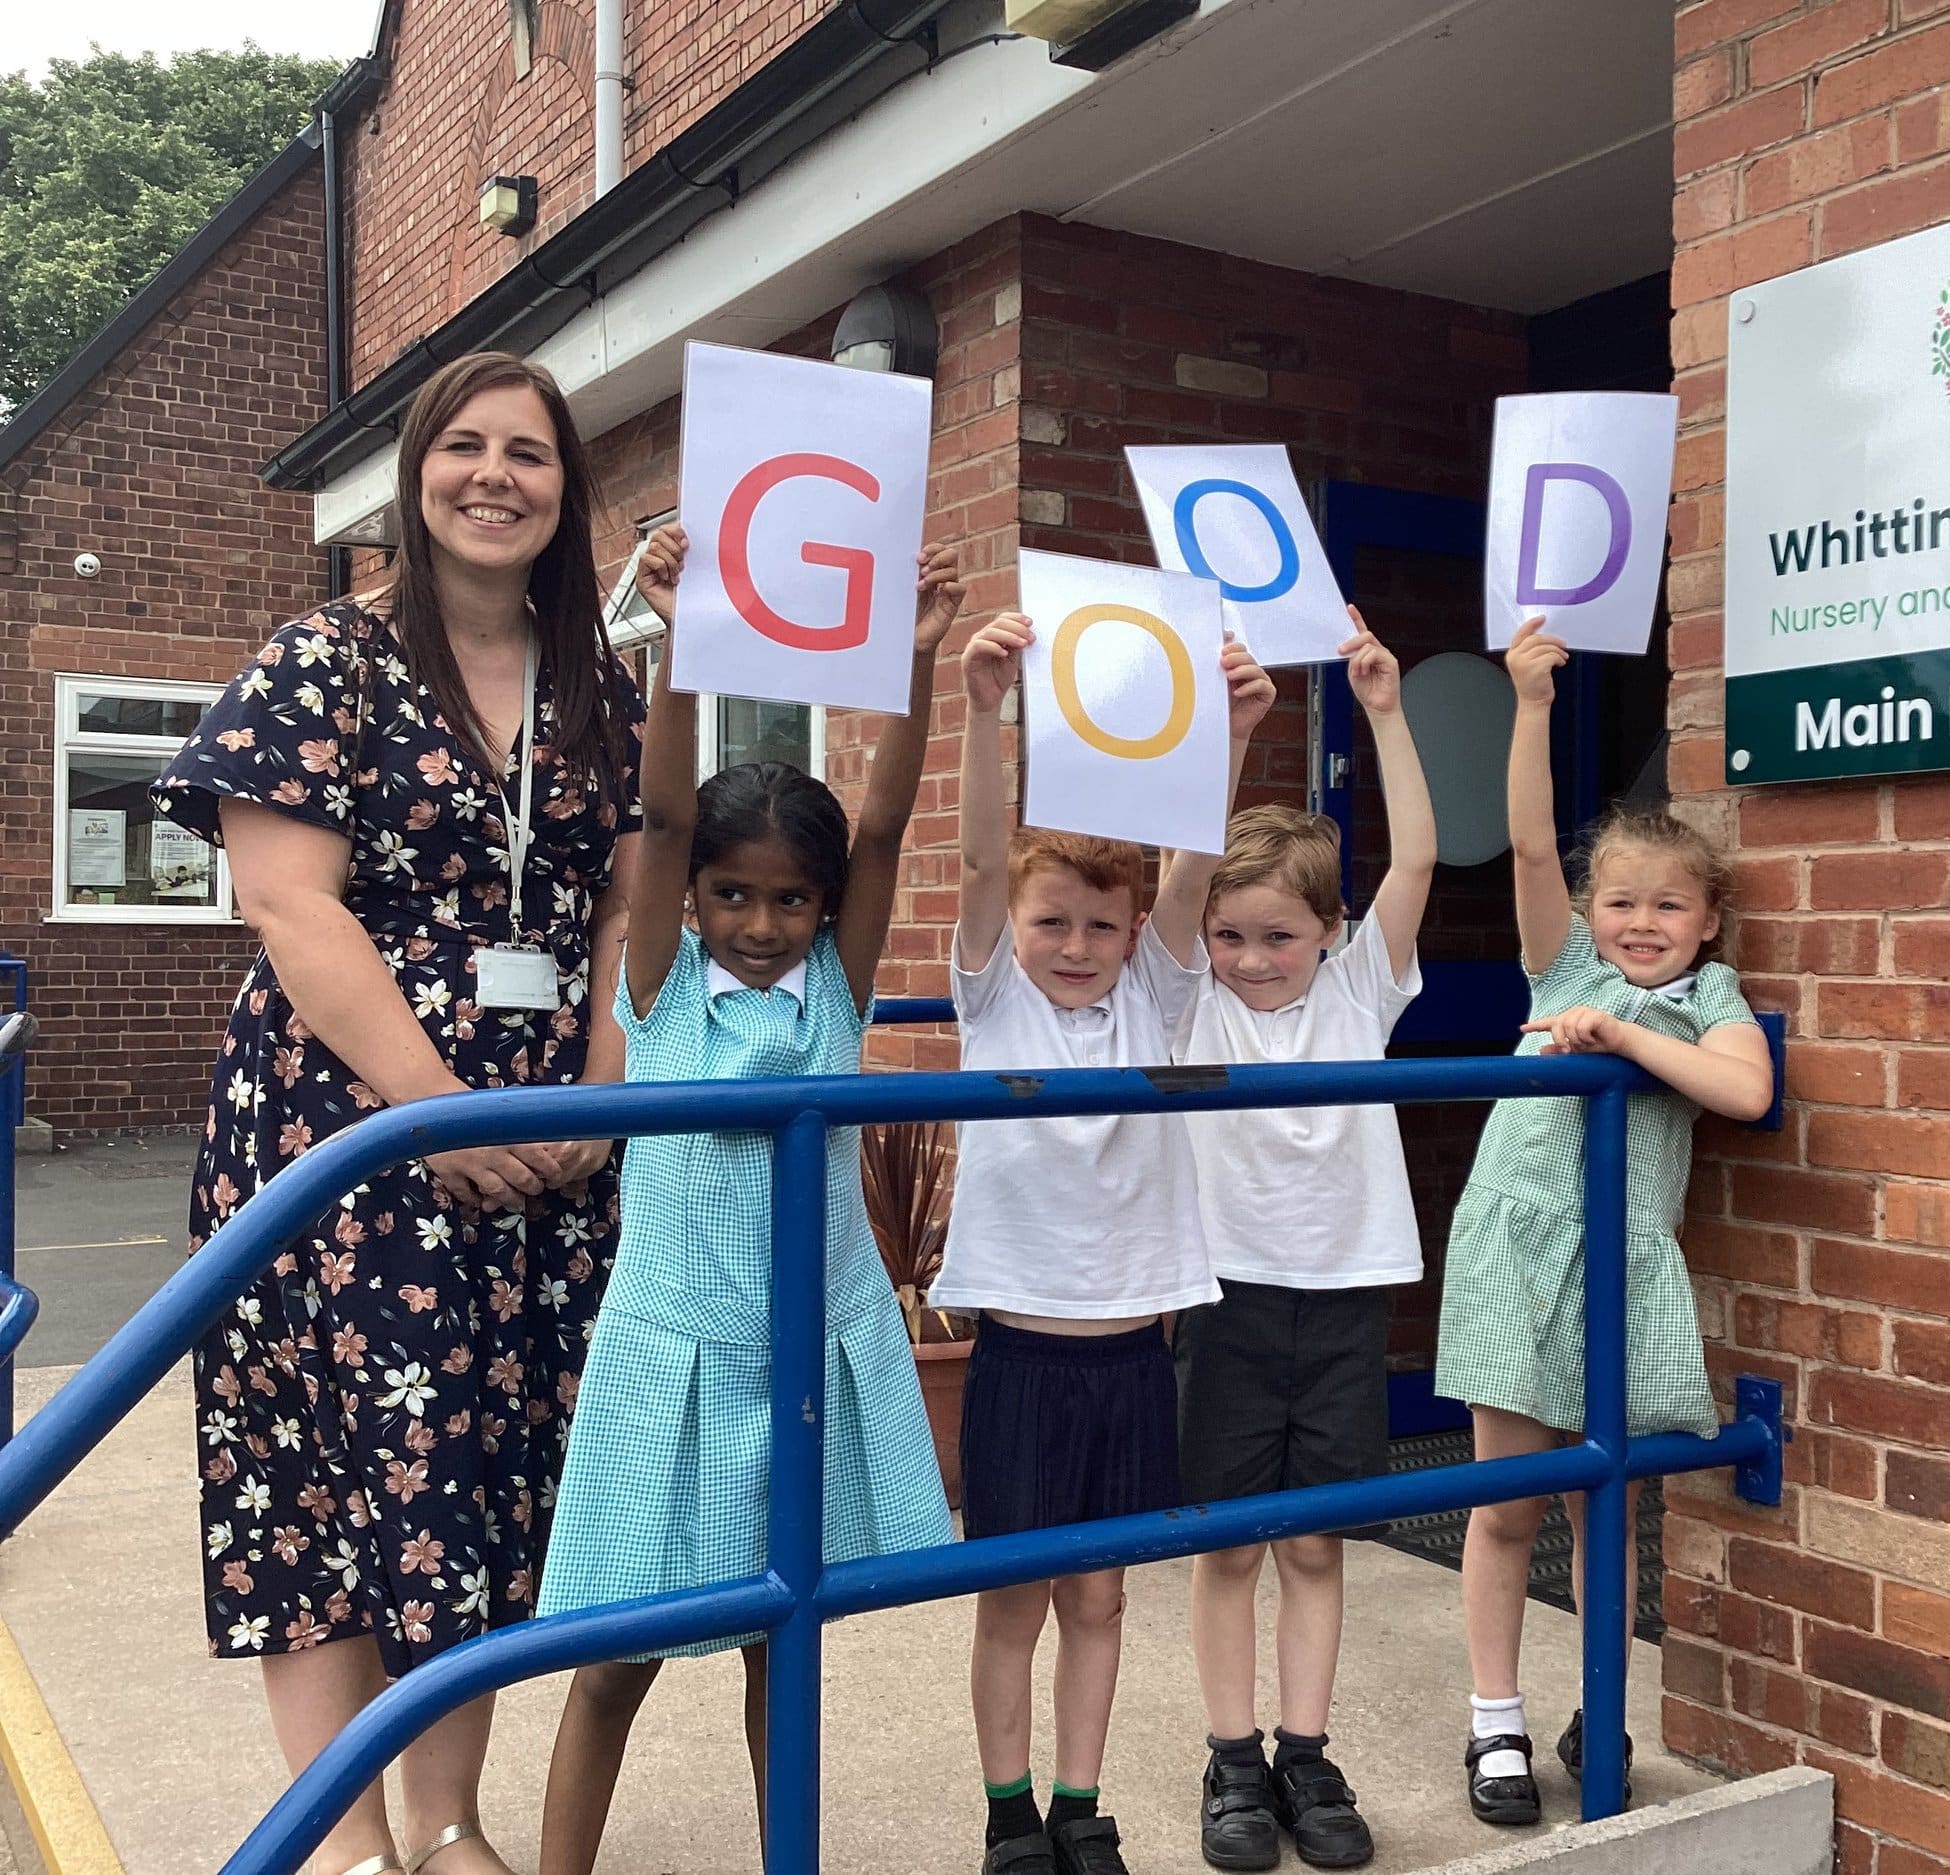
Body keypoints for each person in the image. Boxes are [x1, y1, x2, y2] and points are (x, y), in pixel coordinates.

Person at [153, 351, 645, 1875]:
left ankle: (446, 1824)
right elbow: (290, 905)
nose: (498, 475)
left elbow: (637, 893)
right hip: (345, 1136)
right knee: (319, 1494)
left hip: (549, 1147)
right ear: (417, 471)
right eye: (468, 446)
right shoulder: (324, 658)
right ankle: (350, 1841)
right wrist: (437, 1114)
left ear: (569, 495)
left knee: (475, 1491)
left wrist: (608, 1090)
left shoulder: (600, 685)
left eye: (533, 455)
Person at [531, 523, 966, 1871]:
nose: (762, 923)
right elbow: (660, 818)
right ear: (696, 895)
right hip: (675, 1358)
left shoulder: (835, 989)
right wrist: (669, 645)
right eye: (734, 893)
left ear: (824, 907)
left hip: (805, 1355)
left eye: (790, 900)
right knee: (613, 1659)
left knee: (786, 1645)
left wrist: (914, 662)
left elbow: (884, 819)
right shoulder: (659, 990)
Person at [929, 610, 1275, 1875]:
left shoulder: (1157, 993)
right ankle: (1009, 1810)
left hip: (1133, 1355)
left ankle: (1082, 1804)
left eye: (1099, 926)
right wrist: (981, 711)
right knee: (1012, 1602)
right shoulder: (992, 996)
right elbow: (974, 865)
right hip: (1022, 1357)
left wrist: (1228, 739)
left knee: (1102, 1597)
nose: (1075, 948)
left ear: (1134, 936)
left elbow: (1188, 869)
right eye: (1052, 923)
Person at [1441, 620, 1774, 1829]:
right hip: (1517, 1248)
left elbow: (1744, 1090)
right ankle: (1493, 1723)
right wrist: (1529, 704)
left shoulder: (1708, 1002)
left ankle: (1600, 1702)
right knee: (1504, 1501)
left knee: (1607, 1499)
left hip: (1623, 1263)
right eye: (1621, 901)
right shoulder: (1560, 970)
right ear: (1590, 910)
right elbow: (1529, 839)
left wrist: (1629, 1040)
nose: (1643, 922)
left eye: (1669, 907)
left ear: (1706, 922)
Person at [1169, 612, 1434, 1873]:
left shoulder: (1360, 989)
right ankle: (1230, 1760)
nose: (1253, 957)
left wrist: (1382, 710)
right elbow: (1178, 873)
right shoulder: (1185, 997)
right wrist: (1231, 736)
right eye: (1234, 935)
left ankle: (1304, 1748)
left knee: (1318, 1539)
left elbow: (1421, 860)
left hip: (1339, 1296)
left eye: (1278, 935)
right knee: (1226, 1539)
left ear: (1327, 933)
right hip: (1222, 1294)